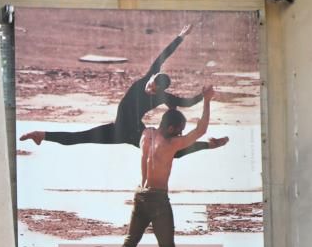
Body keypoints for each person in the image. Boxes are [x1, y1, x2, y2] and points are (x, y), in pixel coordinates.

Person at [19, 24, 228, 159]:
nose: (150, 87)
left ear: (159, 90)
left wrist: (204, 96)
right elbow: (163, 56)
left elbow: (187, 102)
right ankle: (40, 134)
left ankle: (209, 145)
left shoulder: (161, 97)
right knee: (77, 138)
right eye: (152, 82)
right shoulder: (148, 78)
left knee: (174, 153)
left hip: (136, 133)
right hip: (118, 129)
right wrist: (181, 36)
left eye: (154, 87)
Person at [115, 85, 217, 247]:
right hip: (158, 200)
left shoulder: (146, 134)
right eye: (179, 130)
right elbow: (201, 130)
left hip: (140, 196)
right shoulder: (171, 144)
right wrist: (206, 101)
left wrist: (168, 105)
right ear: (170, 129)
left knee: (129, 243)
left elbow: (165, 117)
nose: (181, 133)